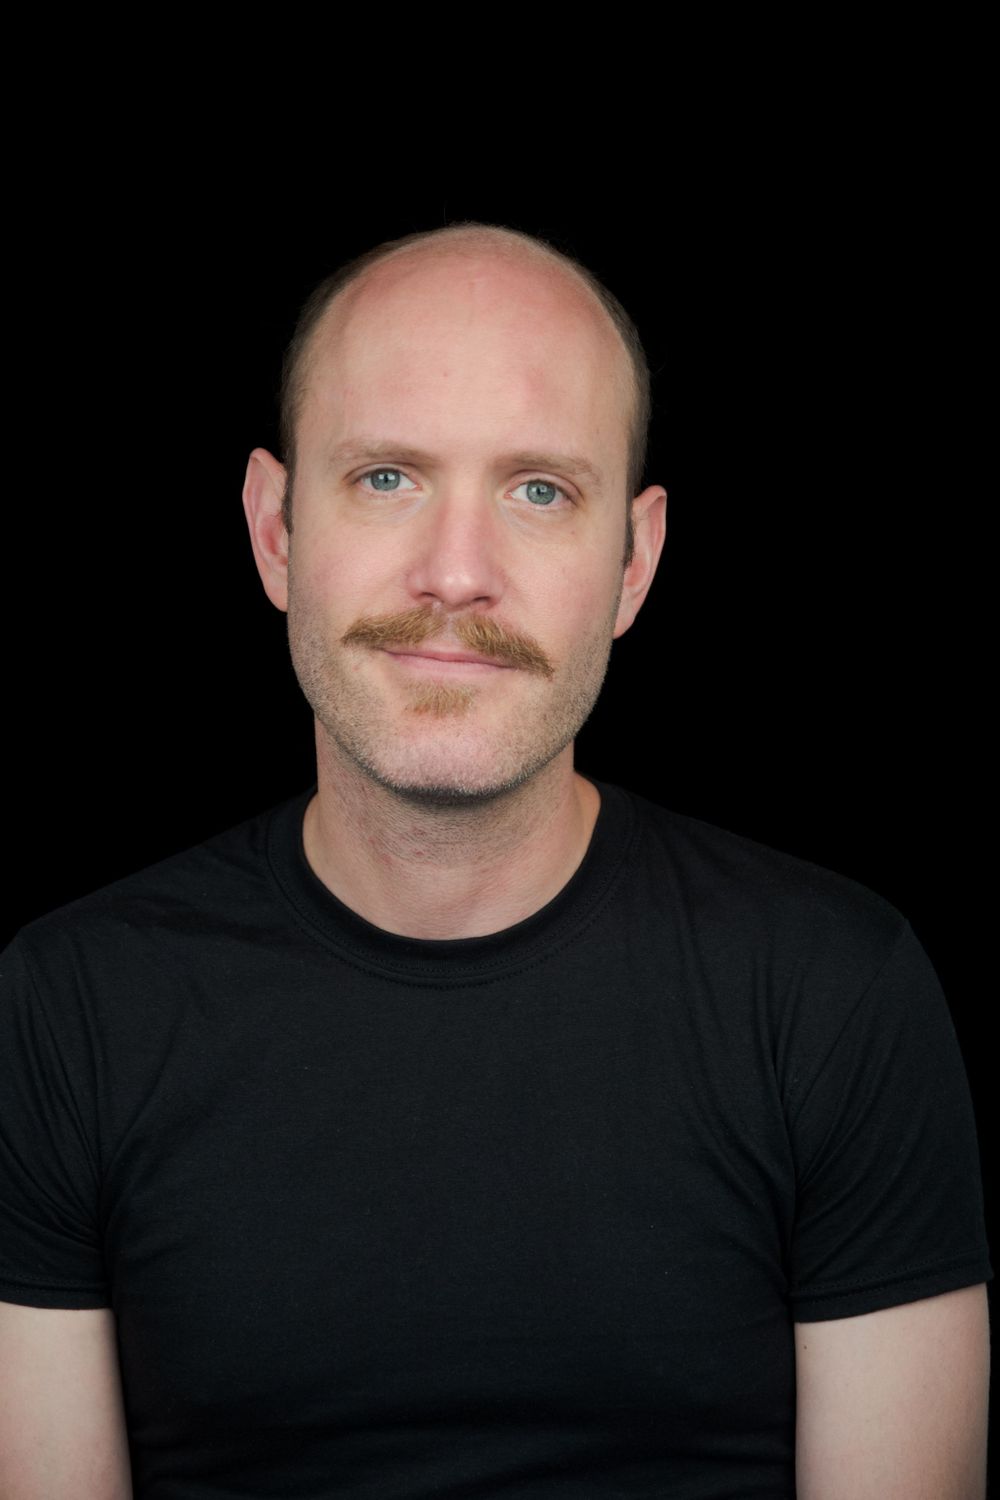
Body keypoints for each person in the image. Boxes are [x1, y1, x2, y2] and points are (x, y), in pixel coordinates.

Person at [0, 221, 991, 1500]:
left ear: (632, 562)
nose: (456, 574)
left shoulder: (833, 993)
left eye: (538, 490)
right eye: (387, 478)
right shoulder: (63, 1011)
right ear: (273, 529)